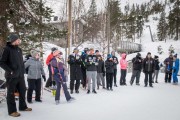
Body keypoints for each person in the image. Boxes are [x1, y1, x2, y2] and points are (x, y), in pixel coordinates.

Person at [0, 34, 32, 117]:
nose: (19, 41)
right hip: (11, 76)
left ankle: (23, 106)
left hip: (20, 75)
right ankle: (12, 111)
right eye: (18, 40)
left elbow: (20, 62)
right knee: (11, 93)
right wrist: (10, 71)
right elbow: (2, 62)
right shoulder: (7, 49)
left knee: (23, 90)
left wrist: (23, 71)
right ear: (13, 41)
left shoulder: (19, 49)